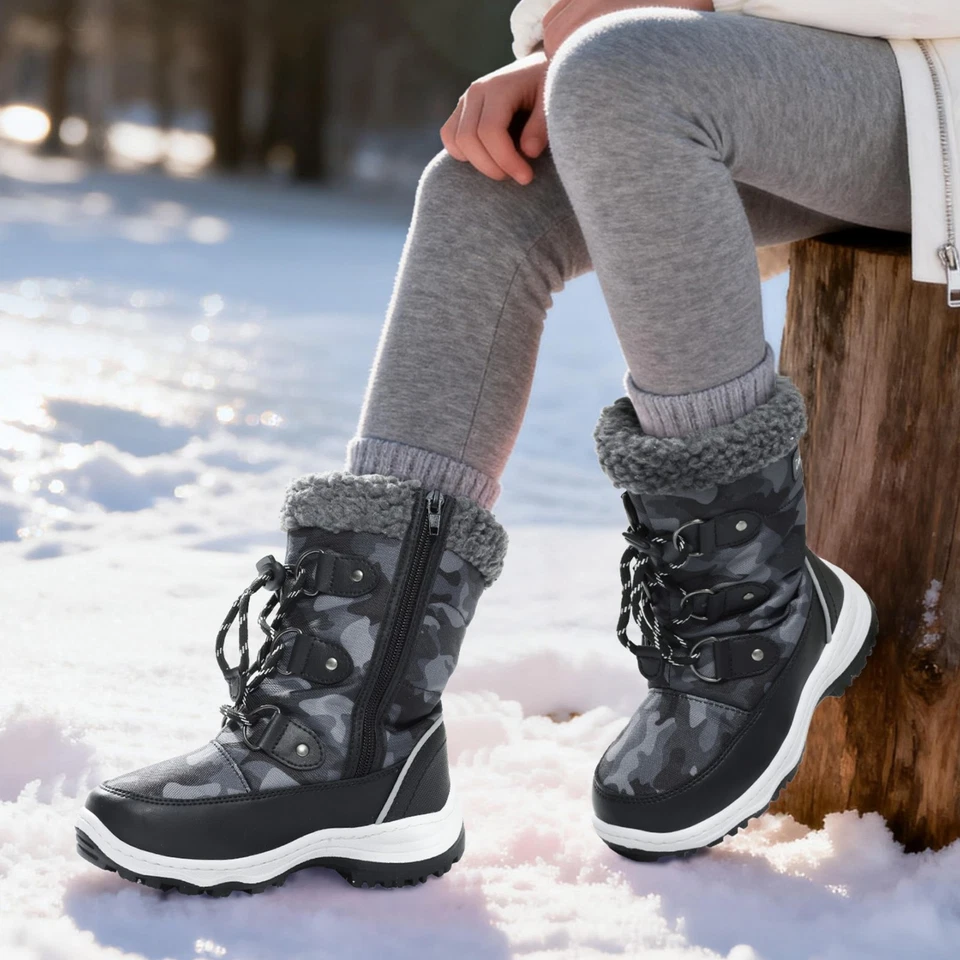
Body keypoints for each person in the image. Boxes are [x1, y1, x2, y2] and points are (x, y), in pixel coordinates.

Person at [76, 0, 960, 891]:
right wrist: (569, 47)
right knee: (484, 184)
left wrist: (654, 26)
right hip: (807, 69)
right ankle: (355, 735)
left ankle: (754, 607)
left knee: (625, 72)